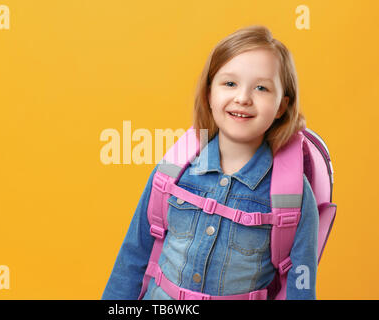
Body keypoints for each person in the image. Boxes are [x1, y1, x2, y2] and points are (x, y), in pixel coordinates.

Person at [102, 25, 319, 300]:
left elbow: (302, 287)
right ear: (209, 94)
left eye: (261, 88)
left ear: (281, 106)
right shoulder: (173, 170)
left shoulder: (292, 195)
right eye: (230, 83)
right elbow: (132, 256)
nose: (243, 98)